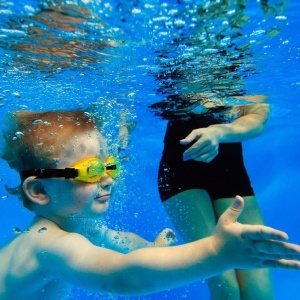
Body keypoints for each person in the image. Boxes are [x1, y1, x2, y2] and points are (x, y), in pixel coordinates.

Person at [0, 109, 300, 300]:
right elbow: (122, 276)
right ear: (39, 189)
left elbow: (119, 241)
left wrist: (149, 248)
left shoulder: (78, 226)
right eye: (91, 170)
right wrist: (216, 252)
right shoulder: (50, 245)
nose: (107, 180)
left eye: (110, 166)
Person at [157, 94, 275, 299]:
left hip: (230, 173)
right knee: (222, 280)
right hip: (181, 173)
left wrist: (218, 131)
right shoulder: (174, 71)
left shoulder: (242, 73)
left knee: (258, 274)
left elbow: (257, 117)